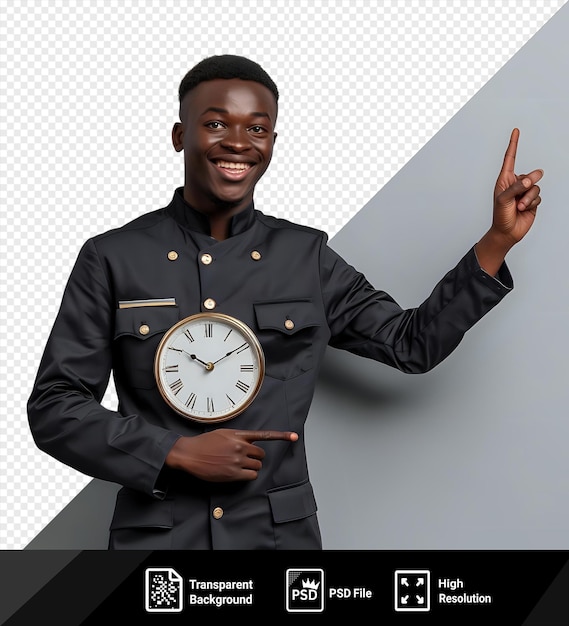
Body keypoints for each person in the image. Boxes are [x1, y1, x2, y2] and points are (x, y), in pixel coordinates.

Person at [27, 55, 543, 550]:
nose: (238, 142)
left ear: (273, 141)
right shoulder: (112, 257)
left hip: (276, 542)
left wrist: (496, 242)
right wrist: (175, 451)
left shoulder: (307, 256)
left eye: (256, 128)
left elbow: (411, 345)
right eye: (215, 123)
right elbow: (55, 407)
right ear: (180, 135)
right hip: (158, 546)